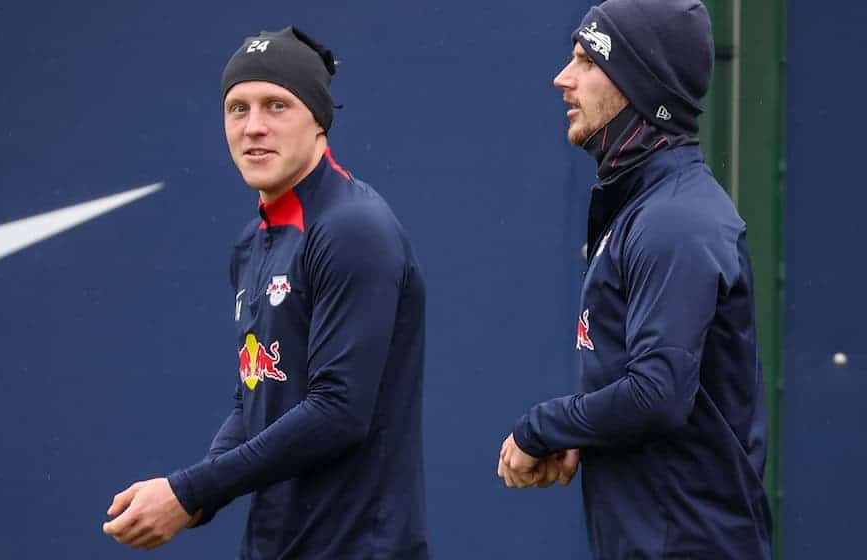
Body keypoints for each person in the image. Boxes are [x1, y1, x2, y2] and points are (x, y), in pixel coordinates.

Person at [102, 26, 429, 558]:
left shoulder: (352, 228)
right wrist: (197, 495)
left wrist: (190, 492)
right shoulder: (251, 245)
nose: (254, 127)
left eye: (276, 105)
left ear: (318, 121)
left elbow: (338, 411)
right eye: (238, 108)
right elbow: (255, 398)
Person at [496, 1, 772, 557]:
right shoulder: (646, 209)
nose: (562, 78)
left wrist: (542, 427)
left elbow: (656, 394)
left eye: (587, 61)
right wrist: (583, 429)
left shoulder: (675, 220)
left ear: (641, 85)